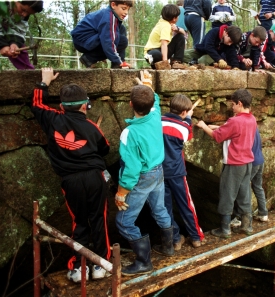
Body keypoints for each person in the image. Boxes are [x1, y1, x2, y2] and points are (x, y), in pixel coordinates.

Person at [31, 68, 111, 283]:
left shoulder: (52, 119)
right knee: (99, 220)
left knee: (79, 222)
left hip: (71, 181)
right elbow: (105, 149)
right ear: (85, 105)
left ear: (61, 107)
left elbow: (37, 104)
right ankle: (101, 264)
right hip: (95, 178)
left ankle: (78, 267)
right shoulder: (92, 127)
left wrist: (44, 83)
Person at [115, 70, 174, 276]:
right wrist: (148, 85)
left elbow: (131, 170)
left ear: (130, 104)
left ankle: (143, 261)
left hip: (143, 176)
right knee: (159, 209)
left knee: (124, 221)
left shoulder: (130, 133)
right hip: (158, 172)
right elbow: (155, 99)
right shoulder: (156, 114)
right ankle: (168, 246)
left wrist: (121, 193)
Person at [196, 89, 257, 238]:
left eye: (233, 104)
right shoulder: (252, 119)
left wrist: (204, 126)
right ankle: (246, 226)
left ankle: (225, 229)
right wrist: (220, 127)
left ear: (240, 103)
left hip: (234, 164)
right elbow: (236, 131)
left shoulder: (235, 120)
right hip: (247, 163)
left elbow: (217, 137)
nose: (232, 107)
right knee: (244, 194)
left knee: (227, 194)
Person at [161, 94, 205, 249]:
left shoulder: (157, 121)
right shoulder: (184, 127)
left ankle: (175, 239)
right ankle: (196, 237)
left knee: (165, 208)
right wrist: (188, 119)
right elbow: (188, 135)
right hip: (177, 172)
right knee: (186, 205)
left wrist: (185, 117)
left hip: (160, 172)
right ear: (185, 112)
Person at [71, 0, 132, 69]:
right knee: (123, 41)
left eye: (128, 10)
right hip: (83, 41)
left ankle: (117, 64)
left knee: (121, 29)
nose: (126, 12)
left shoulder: (110, 15)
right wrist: (118, 61)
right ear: (113, 5)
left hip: (89, 38)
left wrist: (121, 61)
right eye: (123, 9)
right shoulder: (109, 18)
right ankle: (89, 58)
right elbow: (108, 41)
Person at [230, 127, 269, 227]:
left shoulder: (242, 127)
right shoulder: (253, 125)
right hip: (260, 160)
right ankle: (263, 213)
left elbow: (230, 131)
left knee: (242, 187)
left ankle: (239, 217)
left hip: (251, 162)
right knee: (257, 186)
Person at [0, 1, 44, 69]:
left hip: (4, 30)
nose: (24, 14)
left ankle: (27, 73)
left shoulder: (23, 15)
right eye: (23, 9)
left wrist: (14, 43)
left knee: (17, 50)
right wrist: (1, 46)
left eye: (28, 13)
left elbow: (19, 30)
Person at [143, 4, 186, 69]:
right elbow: (164, 44)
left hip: (162, 50)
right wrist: (165, 63)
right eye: (178, 16)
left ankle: (176, 62)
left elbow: (183, 32)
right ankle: (158, 64)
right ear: (174, 18)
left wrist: (177, 28)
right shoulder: (165, 26)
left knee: (180, 37)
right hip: (153, 51)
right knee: (157, 55)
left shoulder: (167, 23)